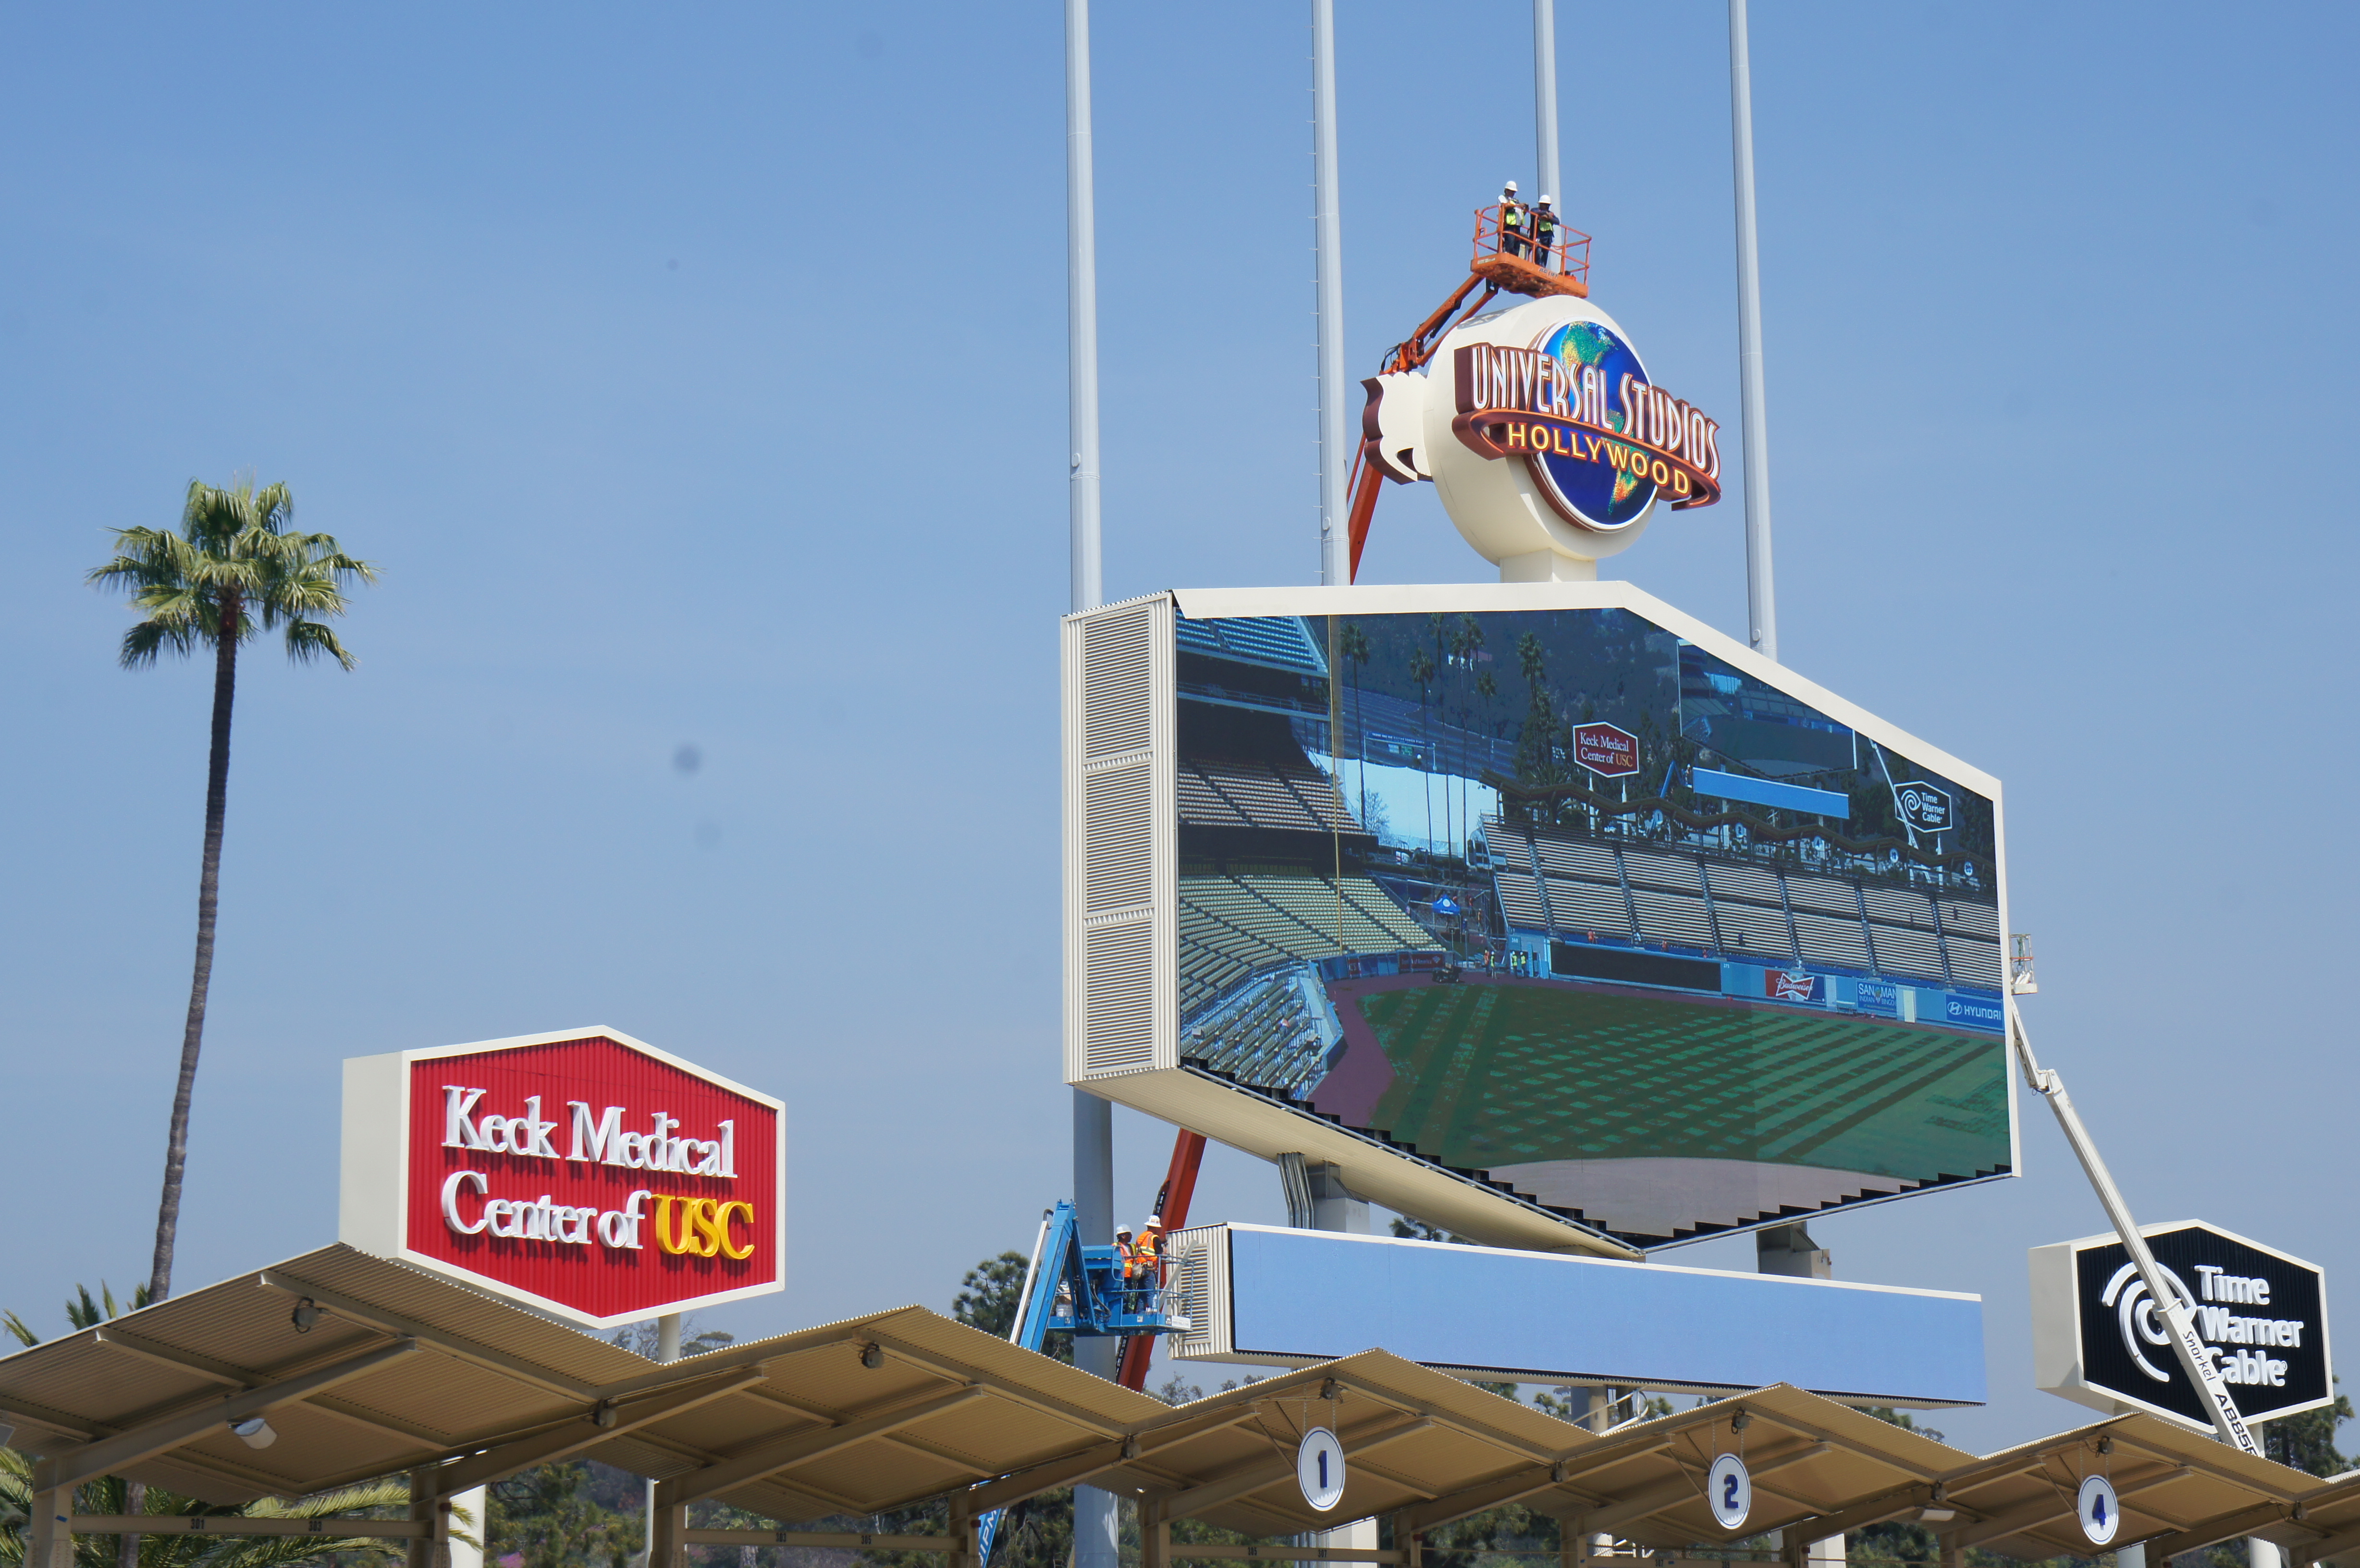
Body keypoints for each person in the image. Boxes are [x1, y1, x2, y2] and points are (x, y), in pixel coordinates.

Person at [1499, 180, 1528, 258]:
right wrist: (1518, 205)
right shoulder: (1502, 198)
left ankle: (1515, 258)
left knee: (1517, 245)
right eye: (1512, 191)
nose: (1513, 193)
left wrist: (1525, 210)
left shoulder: (1516, 201)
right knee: (1510, 243)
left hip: (1517, 226)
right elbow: (1505, 206)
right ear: (1507, 190)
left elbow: (1521, 213)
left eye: (1514, 192)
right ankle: (1508, 256)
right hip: (1509, 225)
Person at [1532, 196, 1559, 271]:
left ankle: (1543, 268)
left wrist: (1550, 218)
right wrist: (1545, 213)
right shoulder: (1537, 211)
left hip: (1548, 237)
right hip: (1539, 235)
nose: (1546, 207)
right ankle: (1539, 266)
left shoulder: (1551, 215)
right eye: (1543, 204)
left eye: (1546, 205)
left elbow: (1557, 222)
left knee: (1545, 253)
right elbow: (1533, 211)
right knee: (1538, 252)